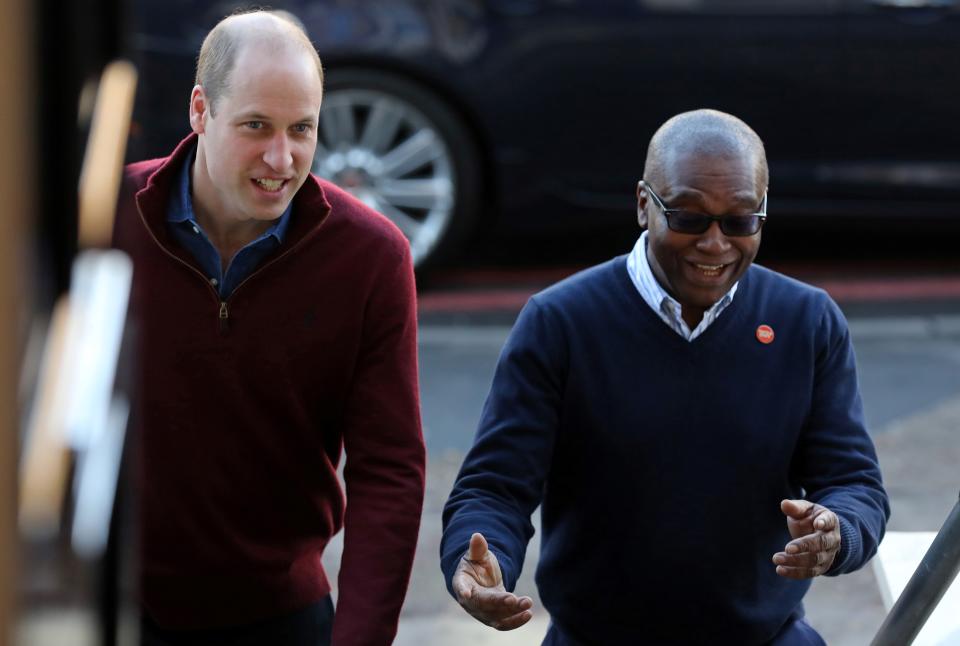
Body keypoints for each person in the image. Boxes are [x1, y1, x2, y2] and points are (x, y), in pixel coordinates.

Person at [440, 109, 889, 645]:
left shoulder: (807, 321)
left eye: (742, 220)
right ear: (641, 205)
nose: (716, 244)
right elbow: (495, 488)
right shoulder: (561, 322)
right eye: (689, 218)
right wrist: (480, 560)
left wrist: (838, 532)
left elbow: (855, 483)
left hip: (765, 637)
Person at [114, 10, 425, 646]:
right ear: (200, 110)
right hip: (107, 607)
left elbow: (389, 469)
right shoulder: (106, 218)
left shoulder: (371, 257)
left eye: (302, 130)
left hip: (282, 617)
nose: (281, 158)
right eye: (256, 126)